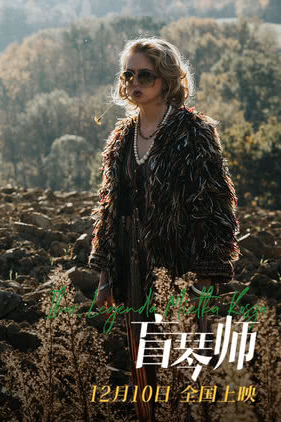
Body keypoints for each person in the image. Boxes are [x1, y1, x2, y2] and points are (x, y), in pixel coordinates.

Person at [88, 37, 239, 422]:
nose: (134, 82)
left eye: (145, 74)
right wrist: (106, 274)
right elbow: (110, 208)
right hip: (133, 266)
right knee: (143, 369)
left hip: (180, 267)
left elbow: (215, 208)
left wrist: (206, 277)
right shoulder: (123, 137)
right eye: (129, 74)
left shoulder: (194, 133)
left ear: (167, 79)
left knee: (186, 366)